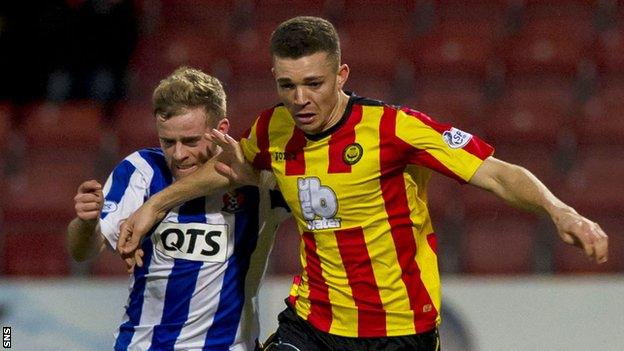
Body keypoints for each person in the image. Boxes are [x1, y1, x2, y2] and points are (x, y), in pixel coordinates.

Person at [117, 17, 609, 351]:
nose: (301, 99)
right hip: (313, 320)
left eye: (314, 83)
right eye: (287, 86)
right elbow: (232, 166)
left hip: (399, 329)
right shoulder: (273, 127)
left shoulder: (394, 128)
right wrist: (155, 204)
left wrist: (559, 210)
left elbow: (498, 173)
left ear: (341, 75)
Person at [67, 66, 289, 351]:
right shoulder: (141, 171)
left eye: (191, 141)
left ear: (221, 130)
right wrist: (86, 222)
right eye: (168, 142)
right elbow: (83, 251)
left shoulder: (255, 182)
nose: (179, 155)